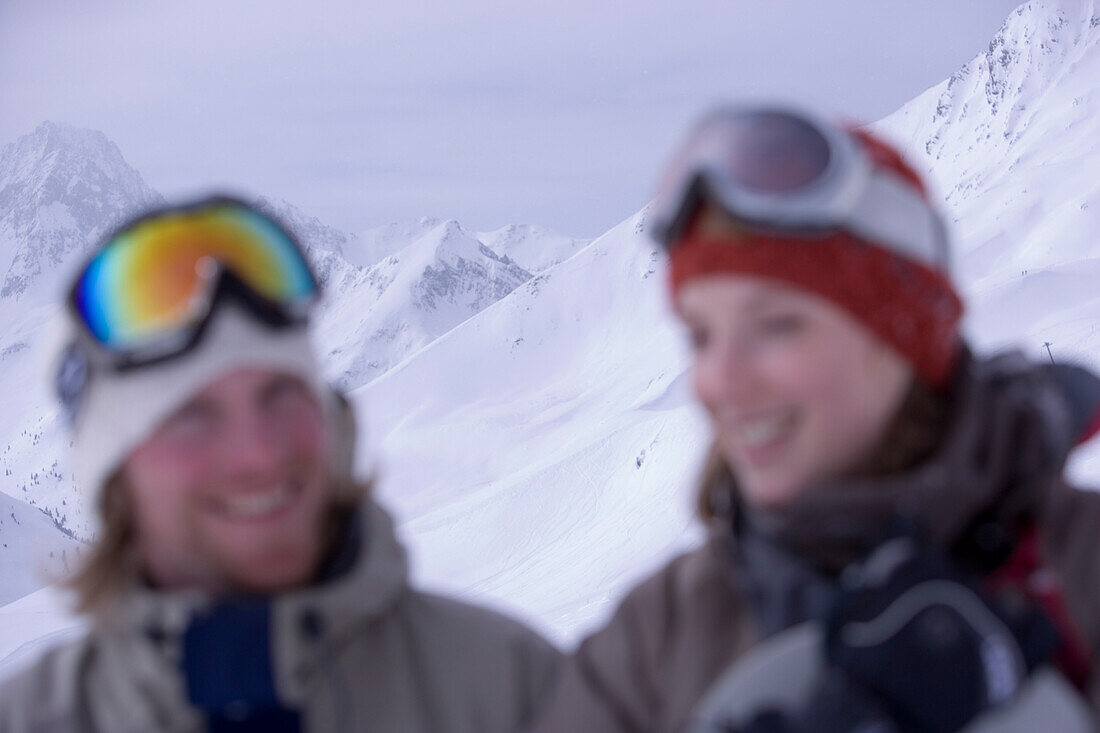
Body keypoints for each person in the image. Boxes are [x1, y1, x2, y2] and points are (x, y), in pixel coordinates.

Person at [528, 106, 1100, 732]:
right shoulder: (656, 637)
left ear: (901, 338)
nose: (719, 380)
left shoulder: (1081, 566)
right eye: (699, 336)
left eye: (776, 326)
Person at [0, 196, 561, 732]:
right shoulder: (33, 719)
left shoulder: (507, 687)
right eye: (193, 416)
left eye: (280, 394)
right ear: (115, 474)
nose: (259, 453)